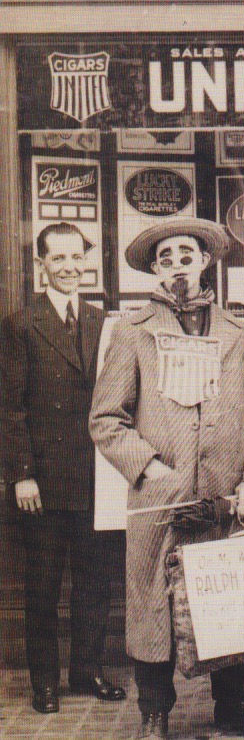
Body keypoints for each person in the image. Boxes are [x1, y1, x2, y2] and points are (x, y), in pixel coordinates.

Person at [89, 218, 244, 740]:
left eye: (187, 254)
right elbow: (106, 419)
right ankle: (154, 711)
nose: (178, 263)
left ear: (205, 262)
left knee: (228, 598)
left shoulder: (236, 331)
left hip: (225, 496)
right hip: (160, 499)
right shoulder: (133, 332)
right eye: (166, 256)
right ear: (155, 268)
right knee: (154, 607)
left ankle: (233, 705)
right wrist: (150, 469)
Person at [0, 222, 125, 715]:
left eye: (78, 259)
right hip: (43, 483)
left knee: (94, 582)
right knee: (44, 586)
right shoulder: (19, 324)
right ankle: (45, 683)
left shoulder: (102, 323)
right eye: (59, 260)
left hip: (97, 477)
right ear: (42, 266)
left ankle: (88, 671)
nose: (70, 268)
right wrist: (21, 473)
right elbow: (8, 408)